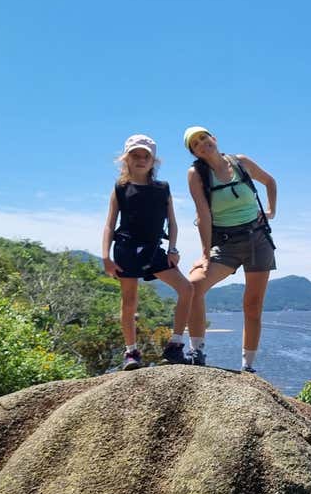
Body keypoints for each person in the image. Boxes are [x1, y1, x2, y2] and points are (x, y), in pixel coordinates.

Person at [183, 126, 276, 372]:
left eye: (204, 138)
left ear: (214, 138)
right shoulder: (196, 174)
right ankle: (197, 351)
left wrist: (271, 212)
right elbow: (203, 214)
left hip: (257, 239)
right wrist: (205, 254)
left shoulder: (241, 163)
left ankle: (248, 367)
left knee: (253, 305)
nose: (202, 144)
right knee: (194, 285)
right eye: (196, 144)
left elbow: (269, 181)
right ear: (194, 152)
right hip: (226, 243)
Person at [102, 134, 194, 370]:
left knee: (186, 289)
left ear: (154, 161)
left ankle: (175, 345)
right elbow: (109, 224)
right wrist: (106, 257)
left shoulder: (163, 189)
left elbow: (172, 222)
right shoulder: (121, 189)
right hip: (126, 249)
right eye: (136, 155)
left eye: (146, 156)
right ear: (126, 159)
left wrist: (173, 248)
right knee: (129, 301)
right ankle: (131, 353)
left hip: (155, 250)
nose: (141, 160)